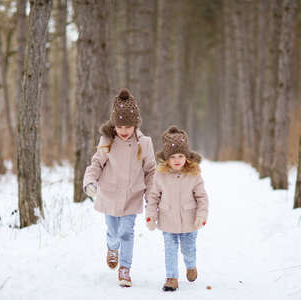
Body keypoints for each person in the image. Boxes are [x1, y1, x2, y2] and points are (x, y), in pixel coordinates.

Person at [83, 88, 156, 287]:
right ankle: (112, 248)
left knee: (127, 232)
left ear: (135, 125)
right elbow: (97, 163)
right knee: (113, 233)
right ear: (114, 125)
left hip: (132, 196)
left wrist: (152, 196)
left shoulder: (144, 143)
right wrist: (90, 181)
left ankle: (125, 269)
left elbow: (150, 171)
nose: (124, 131)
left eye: (128, 126)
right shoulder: (108, 141)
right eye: (120, 126)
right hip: (109, 194)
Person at [146, 125, 208, 291]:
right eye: (172, 157)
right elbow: (153, 197)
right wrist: (151, 216)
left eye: (180, 156)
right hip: (168, 221)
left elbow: (202, 198)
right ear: (166, 159)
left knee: (188, 250)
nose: (177, 160)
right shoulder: (160, 175)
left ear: (186, 157)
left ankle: (191, 265)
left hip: (189, 222)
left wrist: (201, 216)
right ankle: (171, 278)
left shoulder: (194, 174)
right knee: (170, 251)